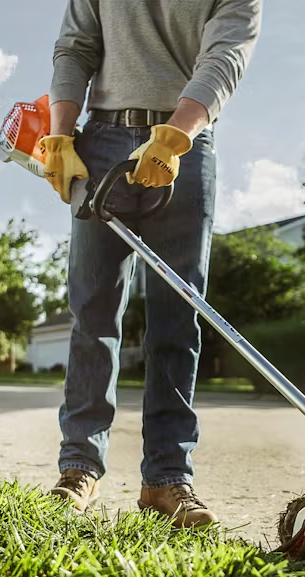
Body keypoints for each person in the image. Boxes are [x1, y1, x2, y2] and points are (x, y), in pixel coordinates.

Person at [39, 0, 262, 528]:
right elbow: (76, 46)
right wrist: (61, 132)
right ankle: (79, 470)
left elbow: (225, 55)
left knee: (176, 318)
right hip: (100, 142)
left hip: (184, 144)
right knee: (92, 314)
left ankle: (167, 479)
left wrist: (174, 135)